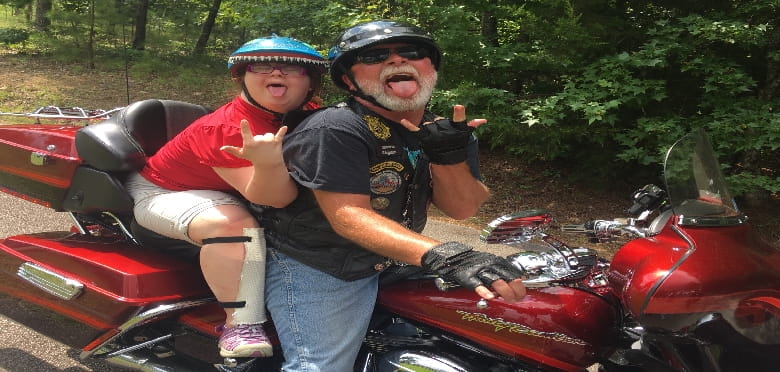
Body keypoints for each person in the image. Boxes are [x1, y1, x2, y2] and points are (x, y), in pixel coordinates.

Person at [251, 20, 527, 371]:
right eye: (374, 56)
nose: (397, 60)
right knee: (321, 366)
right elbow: (348, 216)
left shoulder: (444, 132)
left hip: (393, 259)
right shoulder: (335, 127)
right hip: (322, 262)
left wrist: (448, 157)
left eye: (412, 51)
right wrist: (447, 256)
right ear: (349, 80)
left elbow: (462, 207)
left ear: (431, 68)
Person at [124, 35, 326, 358]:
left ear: (310, 82)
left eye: (291, 67)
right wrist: (269, 163)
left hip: (225, 189)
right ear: (242, 76)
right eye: (261, 66)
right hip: (165, 190)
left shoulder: (311, 113)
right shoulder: (227, 128)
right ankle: (240, 325)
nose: (276, 72)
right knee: (234, 226)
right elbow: (271, 197)